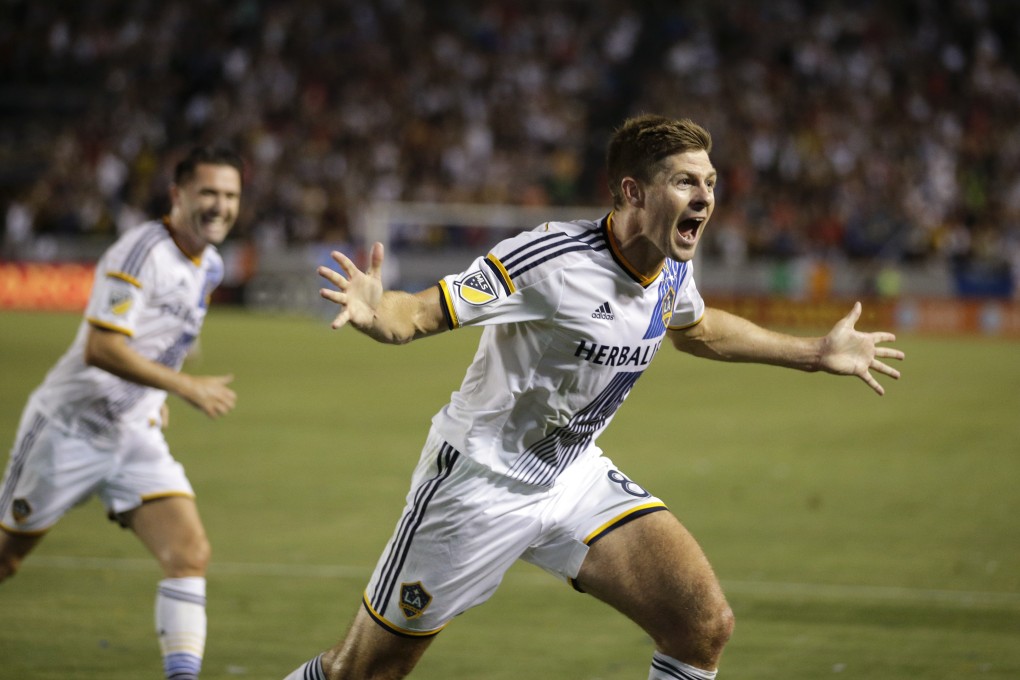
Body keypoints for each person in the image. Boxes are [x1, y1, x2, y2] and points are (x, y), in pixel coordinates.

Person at [284, 115, 905, 680]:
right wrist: (377, 309)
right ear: (634, 192)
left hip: (573, 477)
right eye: (686, 182)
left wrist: (814, 354)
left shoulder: (671, 263)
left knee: (701, 624)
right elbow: (419, 313)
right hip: (477, 483)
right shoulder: (550, 259)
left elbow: (698, 328)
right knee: (360, 674)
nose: (706, 197)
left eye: (710, 182)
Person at [0, 146, 243, 680]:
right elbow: (102, 348)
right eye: (209, 193)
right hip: (68, 429)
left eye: (230, 196)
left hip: (133, 436)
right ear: (178, 196)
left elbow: (173, 338)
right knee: (6, 559)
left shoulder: (212, 265)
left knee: (189, 552)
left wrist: (155, 398)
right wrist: (183, 388)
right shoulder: (141, 253)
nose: (220, 206)